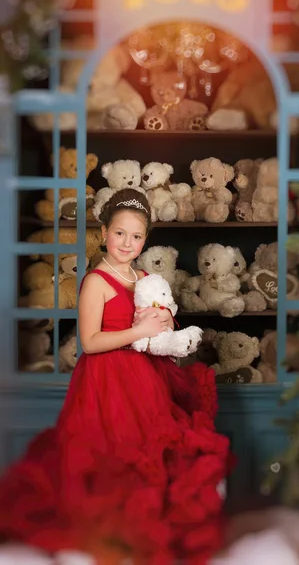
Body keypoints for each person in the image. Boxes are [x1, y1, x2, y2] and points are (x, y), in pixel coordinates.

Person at [0, 188, 232, 565]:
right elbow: (90, 343)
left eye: (136, 236)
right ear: (104, 231)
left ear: (146, 240)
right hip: (107, 383)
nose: (127, 242)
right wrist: (139, 332)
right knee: (114, 455)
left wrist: (162, 321)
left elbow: (159, 317)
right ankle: (111, 541)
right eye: (119, 233)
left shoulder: (143, 276)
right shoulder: (95, 281)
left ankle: (142, 537)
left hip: (148, 378)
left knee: (151, 455)